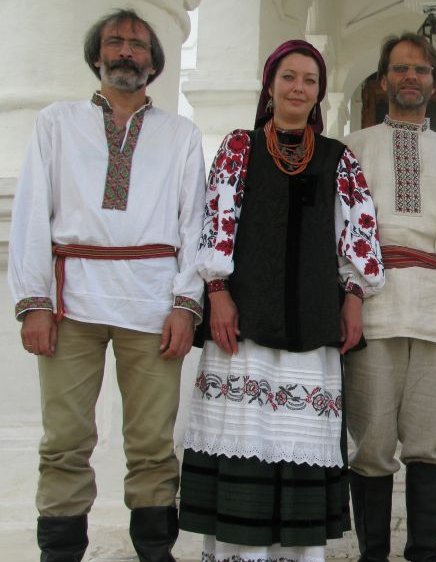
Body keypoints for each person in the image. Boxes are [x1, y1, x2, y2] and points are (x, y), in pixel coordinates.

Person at [7, 8, 205, 562]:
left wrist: (186, 306)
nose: (126, 52)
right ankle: (61, 553)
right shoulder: (57, 123)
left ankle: (153, 551)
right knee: (66, 440)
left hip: (152, 302)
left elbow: (196, 226)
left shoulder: (181, 136)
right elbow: (30, 216)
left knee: (151, 445)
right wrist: (34, 303)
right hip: (70, 304)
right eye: (115, 43)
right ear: (97, 55)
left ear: (154, 61)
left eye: (138, 45)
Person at [176, 40, 385, 562]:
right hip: (244, 323)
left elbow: (358, 234)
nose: (298, 88)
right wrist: (217, 292)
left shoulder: (339, 158)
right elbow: (216, 225)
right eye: (288, 77)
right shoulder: (239, 148)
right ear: (270, 86)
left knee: (299, 448)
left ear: (318, 93)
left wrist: (354, 296)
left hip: (312, 326)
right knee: (243, 439)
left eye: (309, 80)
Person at [343, 32, 436, 562]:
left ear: (434, 82)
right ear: (383, 80)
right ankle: (373, 556)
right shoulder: (353, 149)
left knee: (427, 445)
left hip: (435, 312)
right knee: (373, 447)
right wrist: (347, 300)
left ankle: (425, 553)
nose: (410, 78)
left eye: (421, 70)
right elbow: (341, 235)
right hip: (372, 311)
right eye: (400, 69)